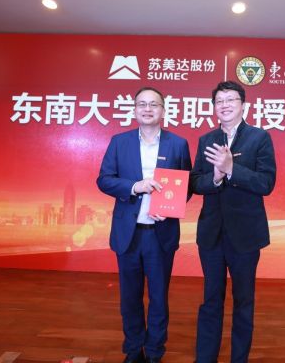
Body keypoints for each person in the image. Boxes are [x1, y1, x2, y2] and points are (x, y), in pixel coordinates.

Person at [97, 87, 192, 363]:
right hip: (128, 234)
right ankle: (133, 349)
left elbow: (186, 185)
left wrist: (170, 209)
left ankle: (154, 352)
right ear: (135, 109)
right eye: (142, 104)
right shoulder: (119, 142)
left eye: (153, 104)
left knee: (159, 298)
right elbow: (104, 180)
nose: (147, 109)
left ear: (163, 110)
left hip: (160, 234)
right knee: (130, 297)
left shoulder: (178, 144)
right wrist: (134, 187)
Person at [190, 81, 277, 363]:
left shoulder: (259, 138)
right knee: (211, 300)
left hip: (245, 236)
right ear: (214, 107)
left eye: (231, 100)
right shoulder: (206, 140)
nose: (224, 105)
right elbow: (195, 182)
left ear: (243, 105)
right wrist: (215, 177)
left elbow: (266, 183)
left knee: (243, 302)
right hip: (211, 235)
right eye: (219, 101)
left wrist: (231, 170)